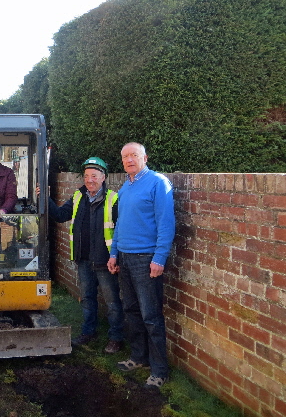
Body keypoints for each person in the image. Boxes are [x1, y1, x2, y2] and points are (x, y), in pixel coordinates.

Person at [107, 142, 175, 389]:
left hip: (146, 259)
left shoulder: (158, 183)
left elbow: (166, 223)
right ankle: (139, 357)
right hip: (124, 257)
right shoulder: (126, 187)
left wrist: (160, 258)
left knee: (151, 316)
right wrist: (114, 254)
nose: (129, 160)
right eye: (125, 157)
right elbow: (120, 224)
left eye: (133, 155)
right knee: (132, 311)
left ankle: (160, 370)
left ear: (144, 157)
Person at [41, 157, 124, 354]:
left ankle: (116, 337)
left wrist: (116, 256)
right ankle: (89, 332)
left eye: (94, 176)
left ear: (103, 177)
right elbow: (61, 215)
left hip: (105, 261)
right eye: (86, 176)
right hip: (84, 258)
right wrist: (45, 198)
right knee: (87, 298)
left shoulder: (114, 199)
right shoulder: (79, 196)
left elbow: (121, 230)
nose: (90, 180)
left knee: (112, 302)